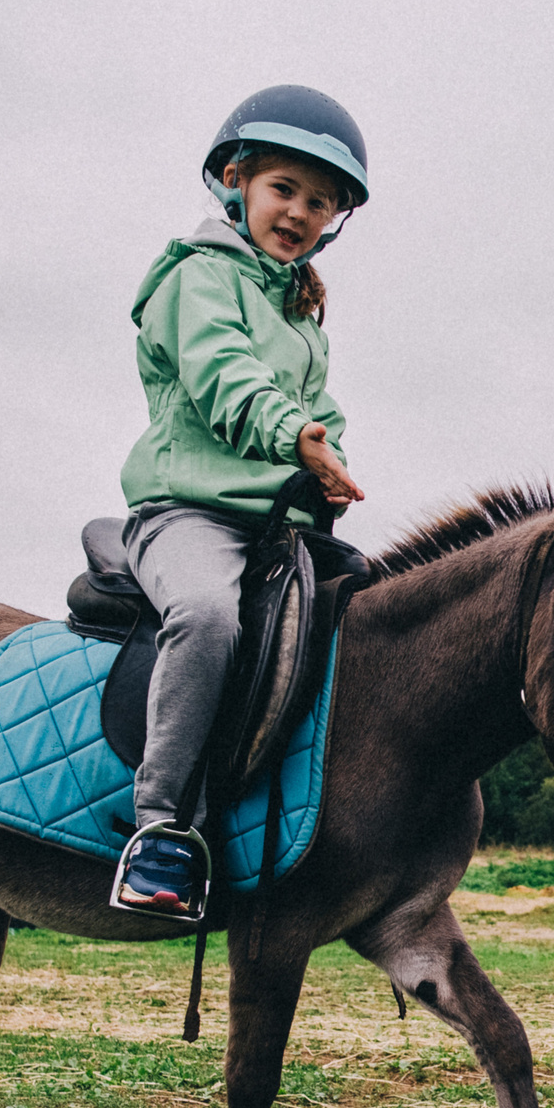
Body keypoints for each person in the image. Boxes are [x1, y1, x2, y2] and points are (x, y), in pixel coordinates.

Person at [110, 86, 372, 915]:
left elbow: (318, 409)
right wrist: (297, 438)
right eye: (283, 189)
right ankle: (160, 833)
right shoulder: (196, 278)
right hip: (189, 514)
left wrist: (331, 457)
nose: (299, 212)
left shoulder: (301, 317)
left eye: (319, 200)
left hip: (279, 526)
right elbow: (228, 378)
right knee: (209, 617)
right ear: (235, 182)